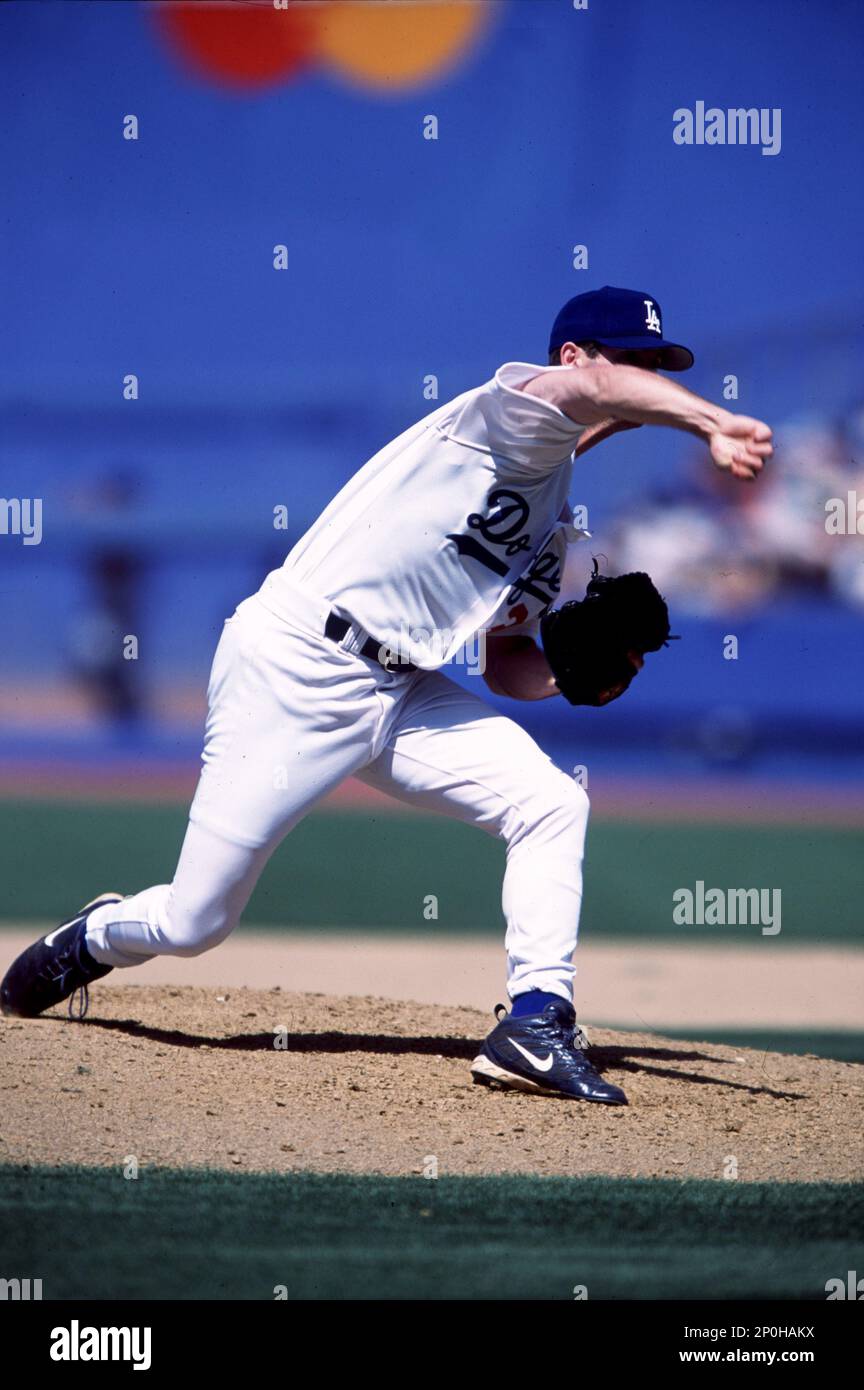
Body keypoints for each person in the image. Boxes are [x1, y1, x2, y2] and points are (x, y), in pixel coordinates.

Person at [1, 286, 772, 1107]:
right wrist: (710, 421)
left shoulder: (554, 513)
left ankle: (536, 1023)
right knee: (195, 925)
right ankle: (96, 936)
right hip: (294, 667)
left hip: (403, 688)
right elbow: (595, 395)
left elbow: (508, 660)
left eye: (658, 363)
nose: (645, 374)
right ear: (574, 358)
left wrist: (579, 678)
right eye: (635, 358)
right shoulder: (503, 417)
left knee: (551, 803)